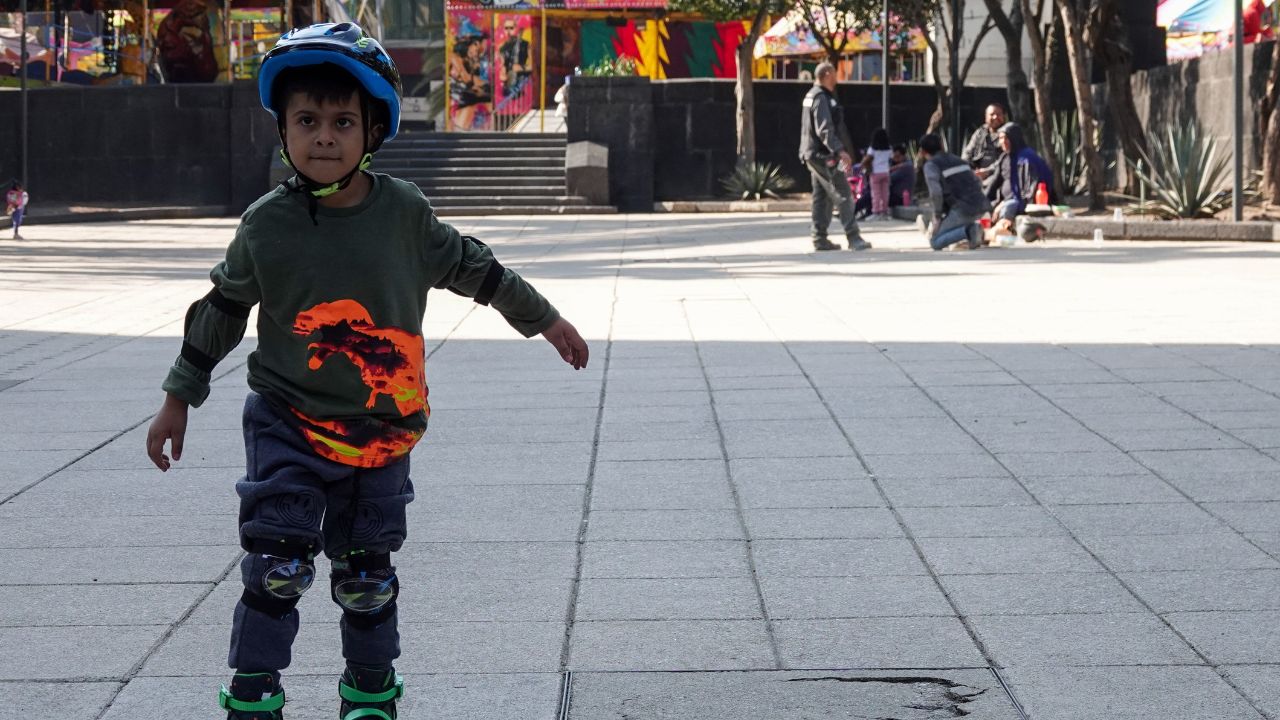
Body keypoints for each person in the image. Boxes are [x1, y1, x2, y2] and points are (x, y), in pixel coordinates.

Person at [143, 23, 589, 720]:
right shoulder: (266, 225)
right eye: (307, 120)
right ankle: (255, 691)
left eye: (343, 121)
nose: (324, 136)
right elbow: (223, 309)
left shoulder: (404, 214)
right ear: (284, 131)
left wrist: (543, 319)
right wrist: (179, 395)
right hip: (287, 418)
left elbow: (476, 267)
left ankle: (370, 692)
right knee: (278, 566)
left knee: (366, 578)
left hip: (382, 428)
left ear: (373, 130)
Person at [798, 61, 871, 252]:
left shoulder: (811, 96)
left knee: (821, 197)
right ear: (828, 74)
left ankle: (819, 238)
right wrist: (840, 151)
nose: (837, 79)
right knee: (844, 193)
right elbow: (825, 130)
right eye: (835, 74)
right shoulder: (821, 97)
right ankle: (854, 237)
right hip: (824, 155)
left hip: (811, 153)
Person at [917, 133, 991, 251]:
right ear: (942, 146)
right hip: (981, 205)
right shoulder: (959, 160)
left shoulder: (931, 165)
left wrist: (936, 217)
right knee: (950, 225)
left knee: (935, 242)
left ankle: (970, 230)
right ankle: (970, 231)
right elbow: (978, 182)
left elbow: (936, 193)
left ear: (923, 152)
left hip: (963, 210)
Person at [986, 121, 1053, 236]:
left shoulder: (1026, 159)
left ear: (1014, 139)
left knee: (1008, 207)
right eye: (1001, 138)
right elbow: (994, 183)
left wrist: (1003, 203)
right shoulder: (1005, 158)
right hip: (1004, 200)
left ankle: (1000, 232)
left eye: (1006, 138)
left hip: (1022, 201)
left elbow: (1026, 190)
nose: (1003, 142)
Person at [961, 103, 1007, 193]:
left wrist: (987, 171)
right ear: (986, 117)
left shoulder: (1007, 133)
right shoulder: (980, 133)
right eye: (992, 114)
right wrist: (969, 170)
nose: (995, 117)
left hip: (997, 174)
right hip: (976, 173)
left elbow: (1006, 159)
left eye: (998, 114)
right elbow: (967, 153)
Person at [861, 128, 893, 221]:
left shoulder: (872, 149)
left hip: (875, 173)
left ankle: (876, 212)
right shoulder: (889, 148)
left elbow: (867, 159)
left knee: (876, 194)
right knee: (885, 193)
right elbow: (891, 158)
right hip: (886, 172)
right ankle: (884, 212)